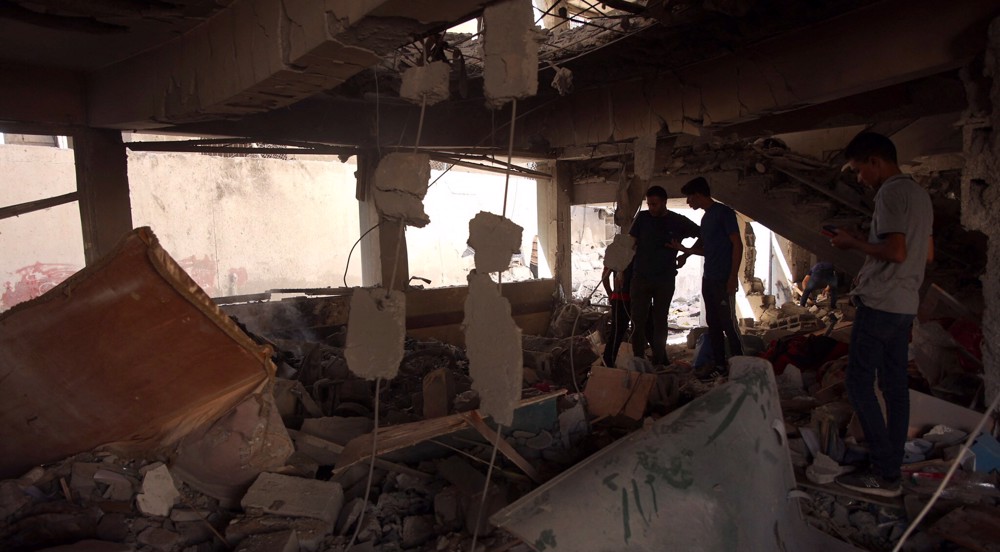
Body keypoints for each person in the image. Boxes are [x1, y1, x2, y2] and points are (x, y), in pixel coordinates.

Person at [829, 132, 933, 498]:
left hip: (882, 303)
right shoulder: (919, 195)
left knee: (858, 384)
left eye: (859, 170)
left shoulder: (890, 192)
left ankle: (884, 473)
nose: (859, 178)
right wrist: (871, 250)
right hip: (904, 303)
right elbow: (925, 254)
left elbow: (897, 251)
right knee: (894, 387)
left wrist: (853, 243)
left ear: (875, 161)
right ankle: (893, 467)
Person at [673, 177, 744, 380]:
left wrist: (733, 276)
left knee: (729, 324)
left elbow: (737, 245)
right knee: (713, 323)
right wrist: (685, 253)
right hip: (709, 278)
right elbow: (707, 249)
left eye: (689, 197)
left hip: (723, 279)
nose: (688, 202)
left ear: (698, 194)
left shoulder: (724, 213)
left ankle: (742, 366)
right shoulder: (706, 218)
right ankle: (721, 366)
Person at [628, 185, 700, 366]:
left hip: (664, 279)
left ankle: (659, 359)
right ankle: (638, 359)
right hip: (640, 278)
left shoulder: (678, 221)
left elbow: (703, 234)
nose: (651, 207)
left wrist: (686, 253)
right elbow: (630, 243)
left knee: (660, 321)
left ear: (664, 203)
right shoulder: (642, 218)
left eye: (654, 204)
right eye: (649, 204)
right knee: (637, 321)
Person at [599, 260, 651, 368]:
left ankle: (608, 363)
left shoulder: (619, 251)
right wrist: (611, 294)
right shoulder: (637, 251)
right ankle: (640, 362)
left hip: (622, 298)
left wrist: (610, 294)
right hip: (632, 298)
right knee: (638, 330)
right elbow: (605, 276)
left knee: (618, 332)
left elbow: (605, 276)